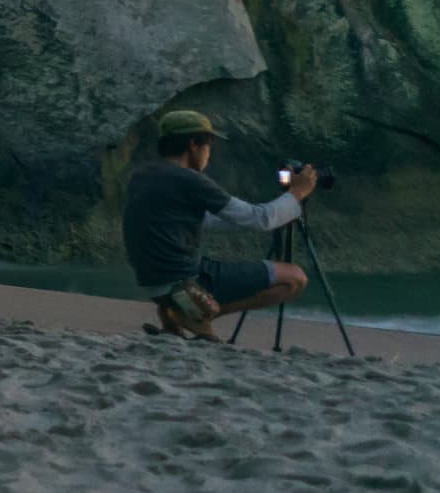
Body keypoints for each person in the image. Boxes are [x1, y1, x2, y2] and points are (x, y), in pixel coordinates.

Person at [123, 108, 318, 339]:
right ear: (194, 144)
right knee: (294, 278)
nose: (209, 153)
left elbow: (198, 220)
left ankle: (174, 312)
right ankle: (198, 314)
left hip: (151, 281)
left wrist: (279, 209)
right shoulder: (190, 180)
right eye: (209, 145)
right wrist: (297, 193)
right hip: (184, 278)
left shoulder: (143, 175)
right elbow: (260, 220)